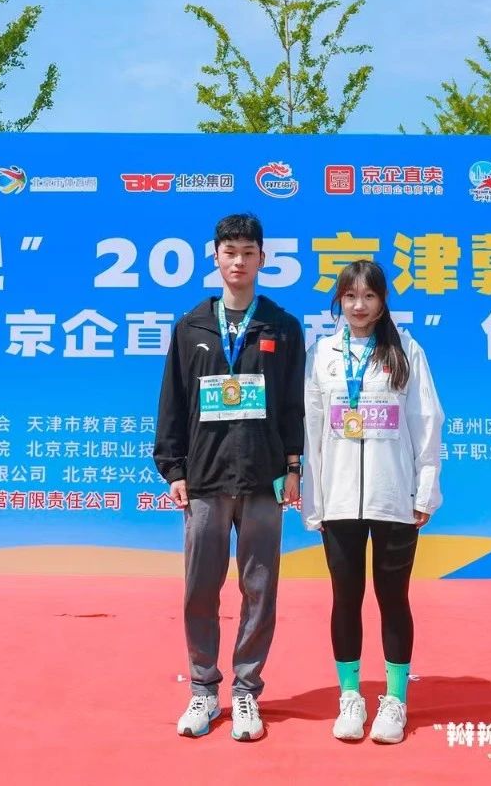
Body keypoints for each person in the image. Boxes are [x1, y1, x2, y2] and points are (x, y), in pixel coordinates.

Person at [153, 213, 306, 741]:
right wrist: (173, 468)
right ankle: (202, 689)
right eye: (230, 252)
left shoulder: (282, 326)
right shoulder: (192, 326)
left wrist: (293, 466)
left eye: (248, 252)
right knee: (200, 588)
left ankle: (245, 692)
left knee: (259, 589)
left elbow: (293, 405)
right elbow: (172, 402)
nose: (238, 261)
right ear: (214, 256)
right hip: (205, 477)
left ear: (263, 258)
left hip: (263, 478)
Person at [302, 259, 445, 744]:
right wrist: (314, 500)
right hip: (339, 499)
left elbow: (427, 421)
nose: (359, 306)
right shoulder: (322, 354)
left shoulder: (406, 350)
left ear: (383, 301)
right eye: (350, 297)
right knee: (345, 597)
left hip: (393, 497)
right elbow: (311, 428)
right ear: (338, 302)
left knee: (393, 598)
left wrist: (425, 488)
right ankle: (350, 696)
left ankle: (395, 699)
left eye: (369, 296)